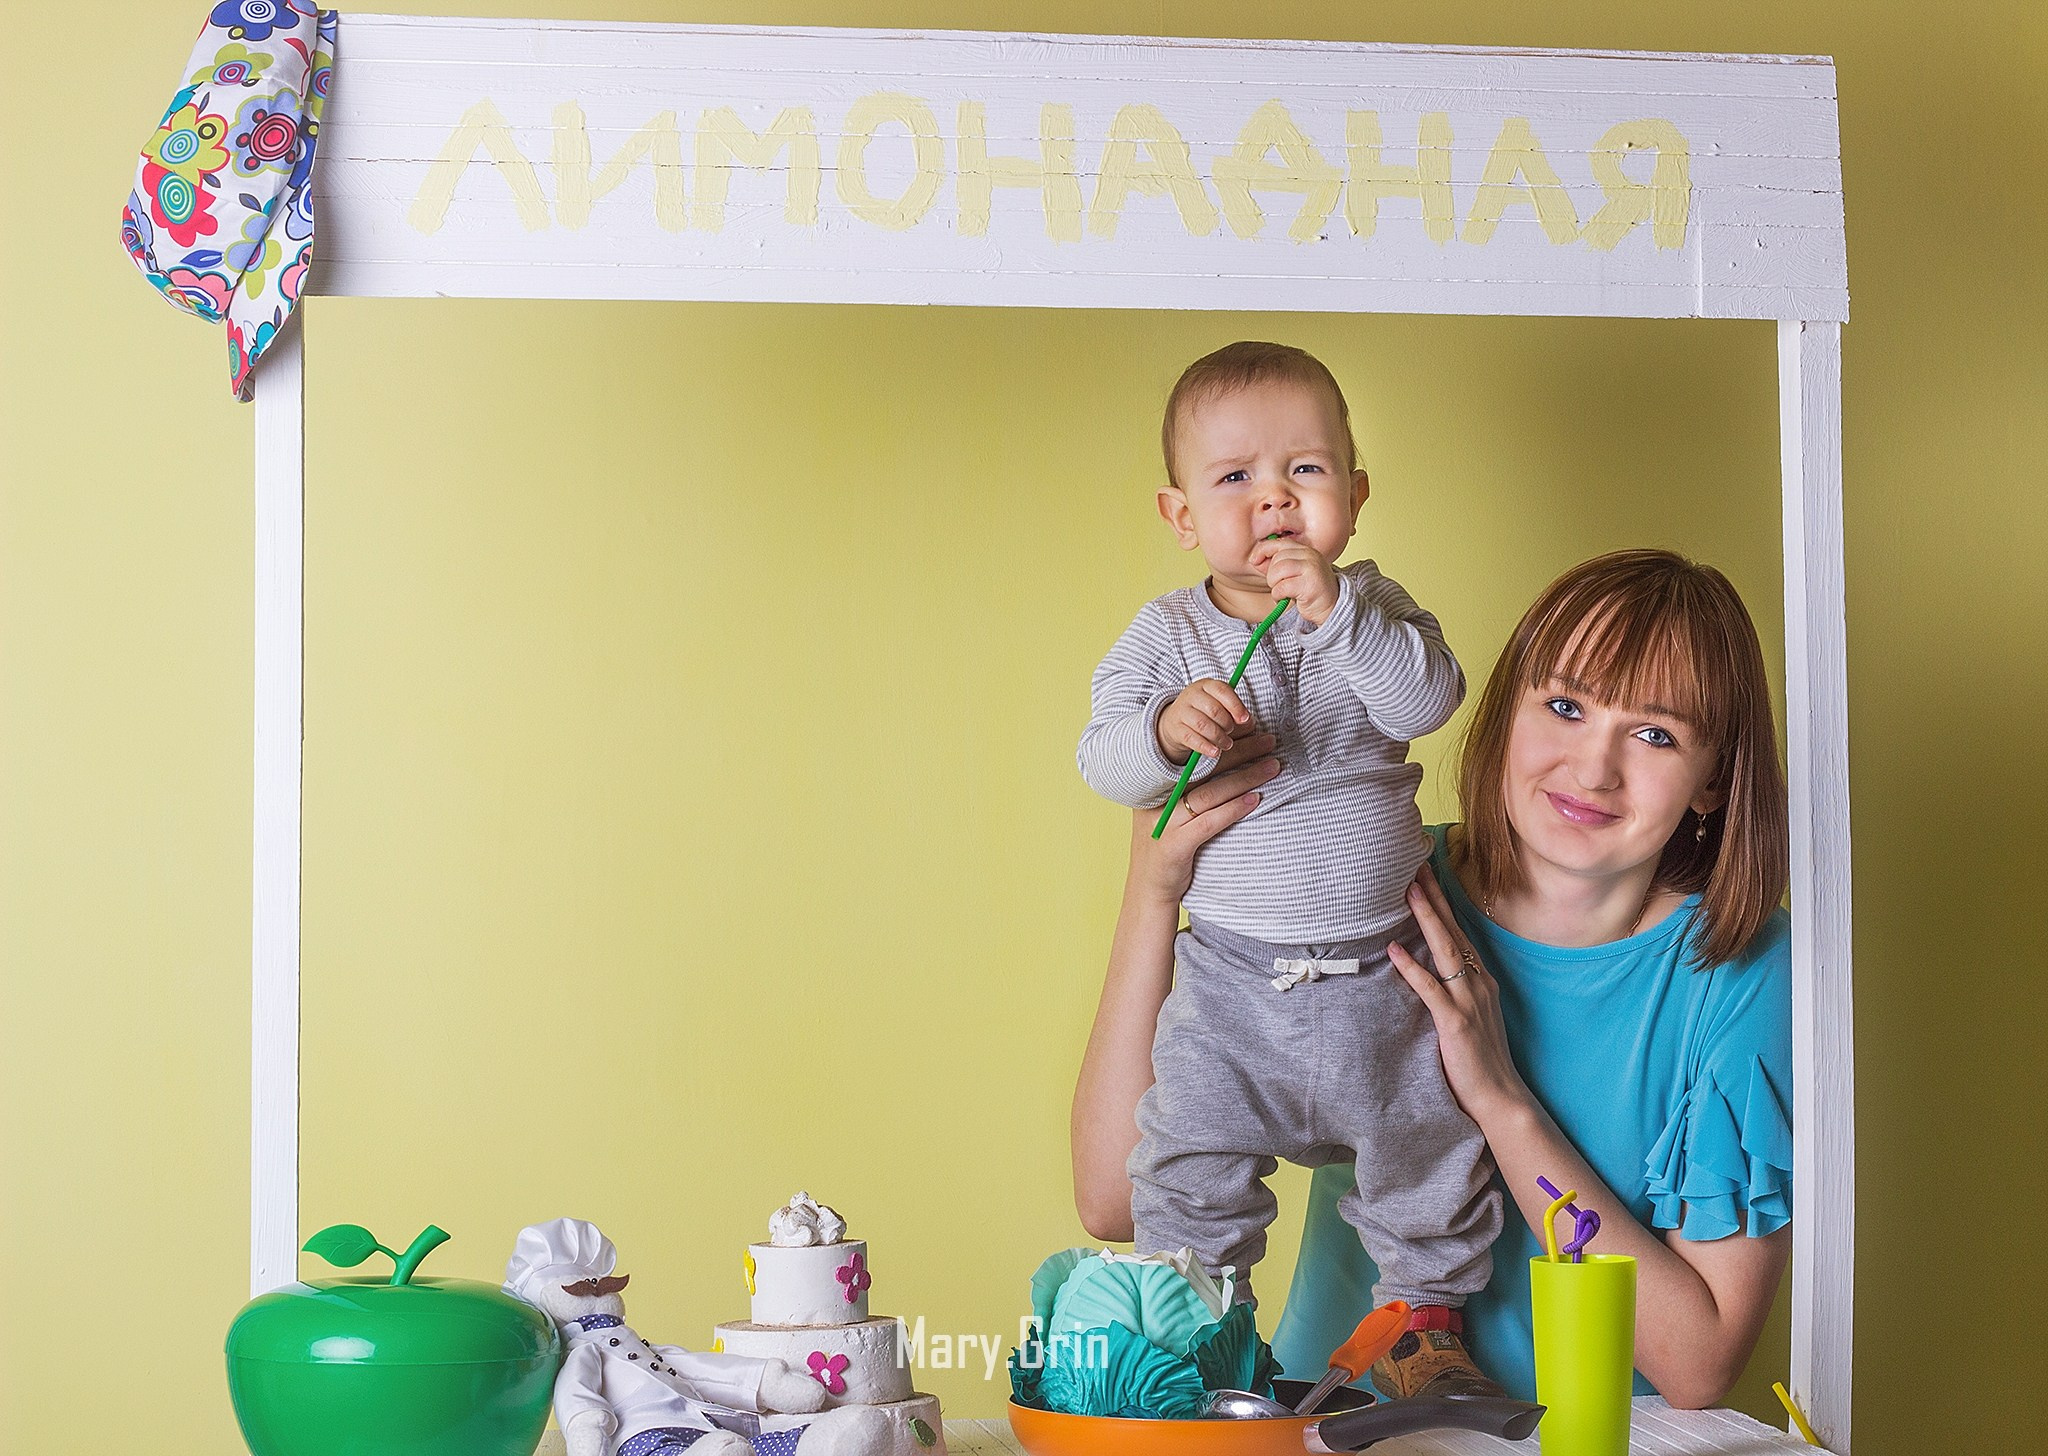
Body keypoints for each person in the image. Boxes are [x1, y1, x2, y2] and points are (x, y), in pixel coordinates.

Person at [1071, 549, 1793, 1409]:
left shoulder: (1738, 968)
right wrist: (1152, 895)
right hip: (1337, 1411)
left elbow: (1699, 1365)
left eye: (1654, 734)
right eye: (1564, 707)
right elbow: (1116, 1201)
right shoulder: (1378, 889)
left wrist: (1500, 1099)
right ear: (1507, 713)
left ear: (1713, 780)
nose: (1594, 769)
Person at [1075, 341, 1504, 1399]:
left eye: (1303, 472)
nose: (1272, 500)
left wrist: (1338, 613)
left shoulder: (1376, 607)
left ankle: (1419, 1330)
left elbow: (1423, 704)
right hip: (1229, 986)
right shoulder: (1166, 634)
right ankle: (1198, 1333)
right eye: (1234, 480)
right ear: (1180, 516)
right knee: (1185, 1164)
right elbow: (1100, 759)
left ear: (1353, 494)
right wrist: (1167, 729)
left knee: (1428, 1157)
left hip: (1381, 978)